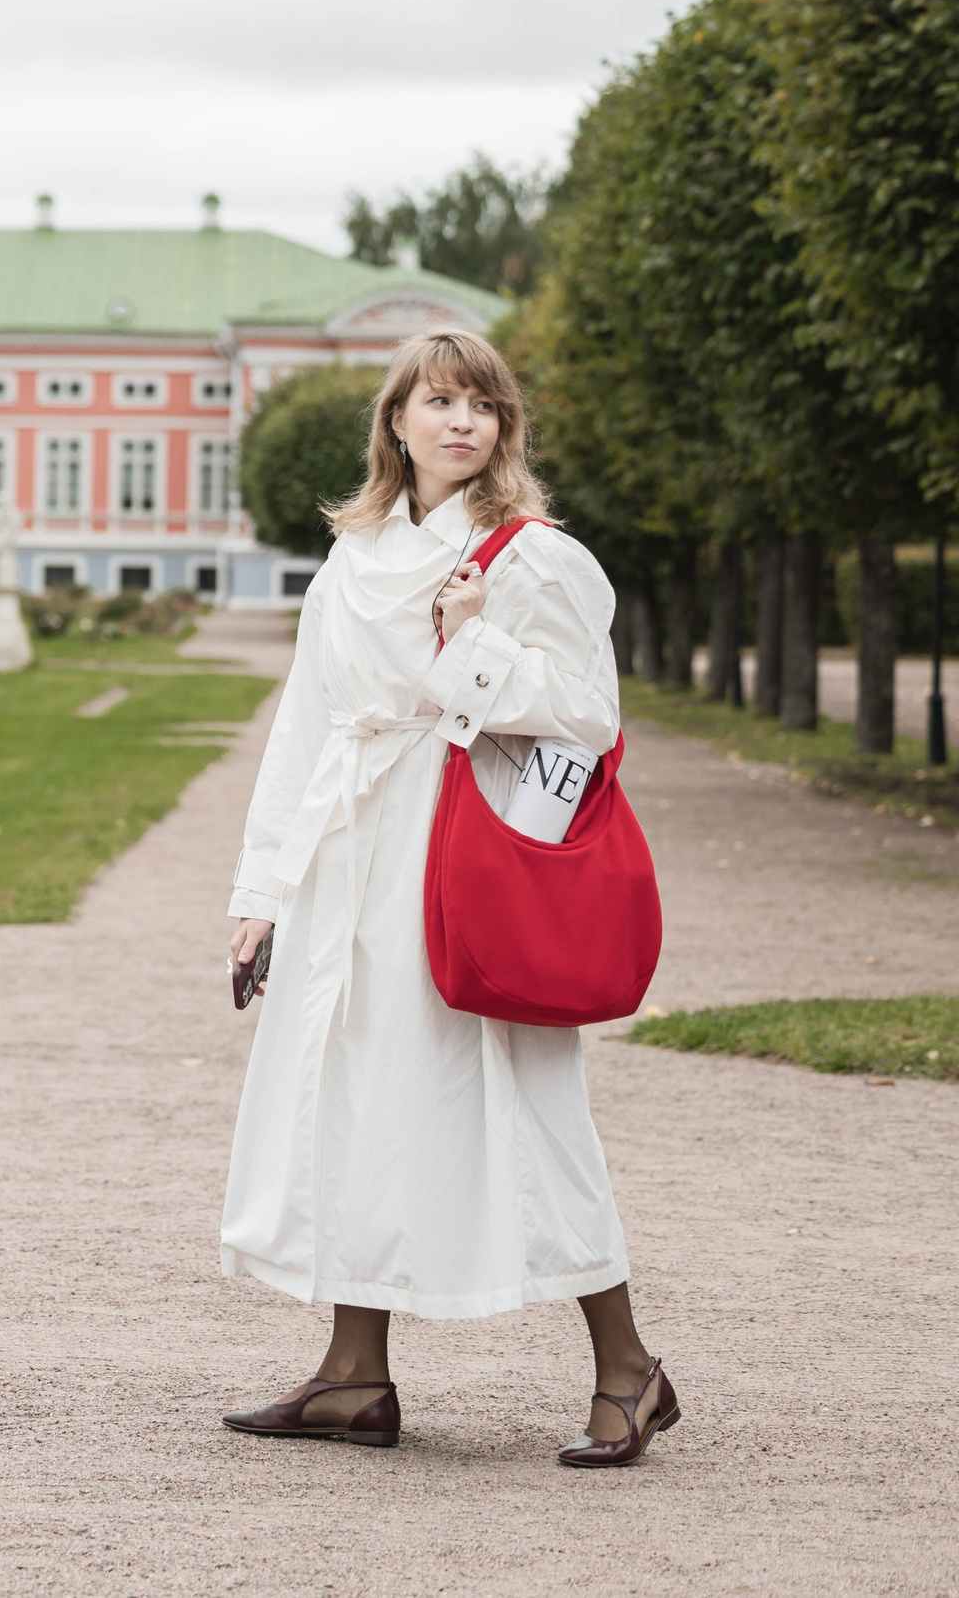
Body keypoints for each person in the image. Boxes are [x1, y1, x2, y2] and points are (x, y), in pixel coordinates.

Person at [217, 329, 678, 1467]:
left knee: (521, 1102)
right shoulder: (354, 554)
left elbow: (588, 716)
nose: (462, 421)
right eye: (439, 401)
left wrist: (472, 644)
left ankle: (628, 1368)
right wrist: (262, 890)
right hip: (349, 860)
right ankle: (352, 1373)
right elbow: (308, 724)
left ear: (503, 426)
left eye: (483, 404)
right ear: (397, 421)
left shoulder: (533, 558)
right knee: (350, 1095)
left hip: (460, 858)